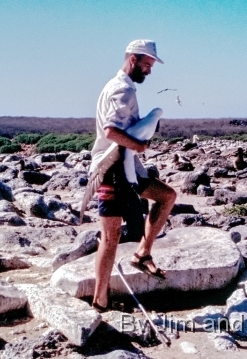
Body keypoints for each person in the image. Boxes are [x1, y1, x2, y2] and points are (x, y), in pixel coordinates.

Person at [89, 39, 177, 313]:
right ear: (133, 59)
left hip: (128, 168)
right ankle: (100, 301)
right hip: (112, 170)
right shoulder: (122, 89)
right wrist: (139, 144)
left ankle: (142, 253)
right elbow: (110, 132)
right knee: (110, 236)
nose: (149, 71)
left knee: (166, 196)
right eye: (147, 64)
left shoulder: (119, 86)